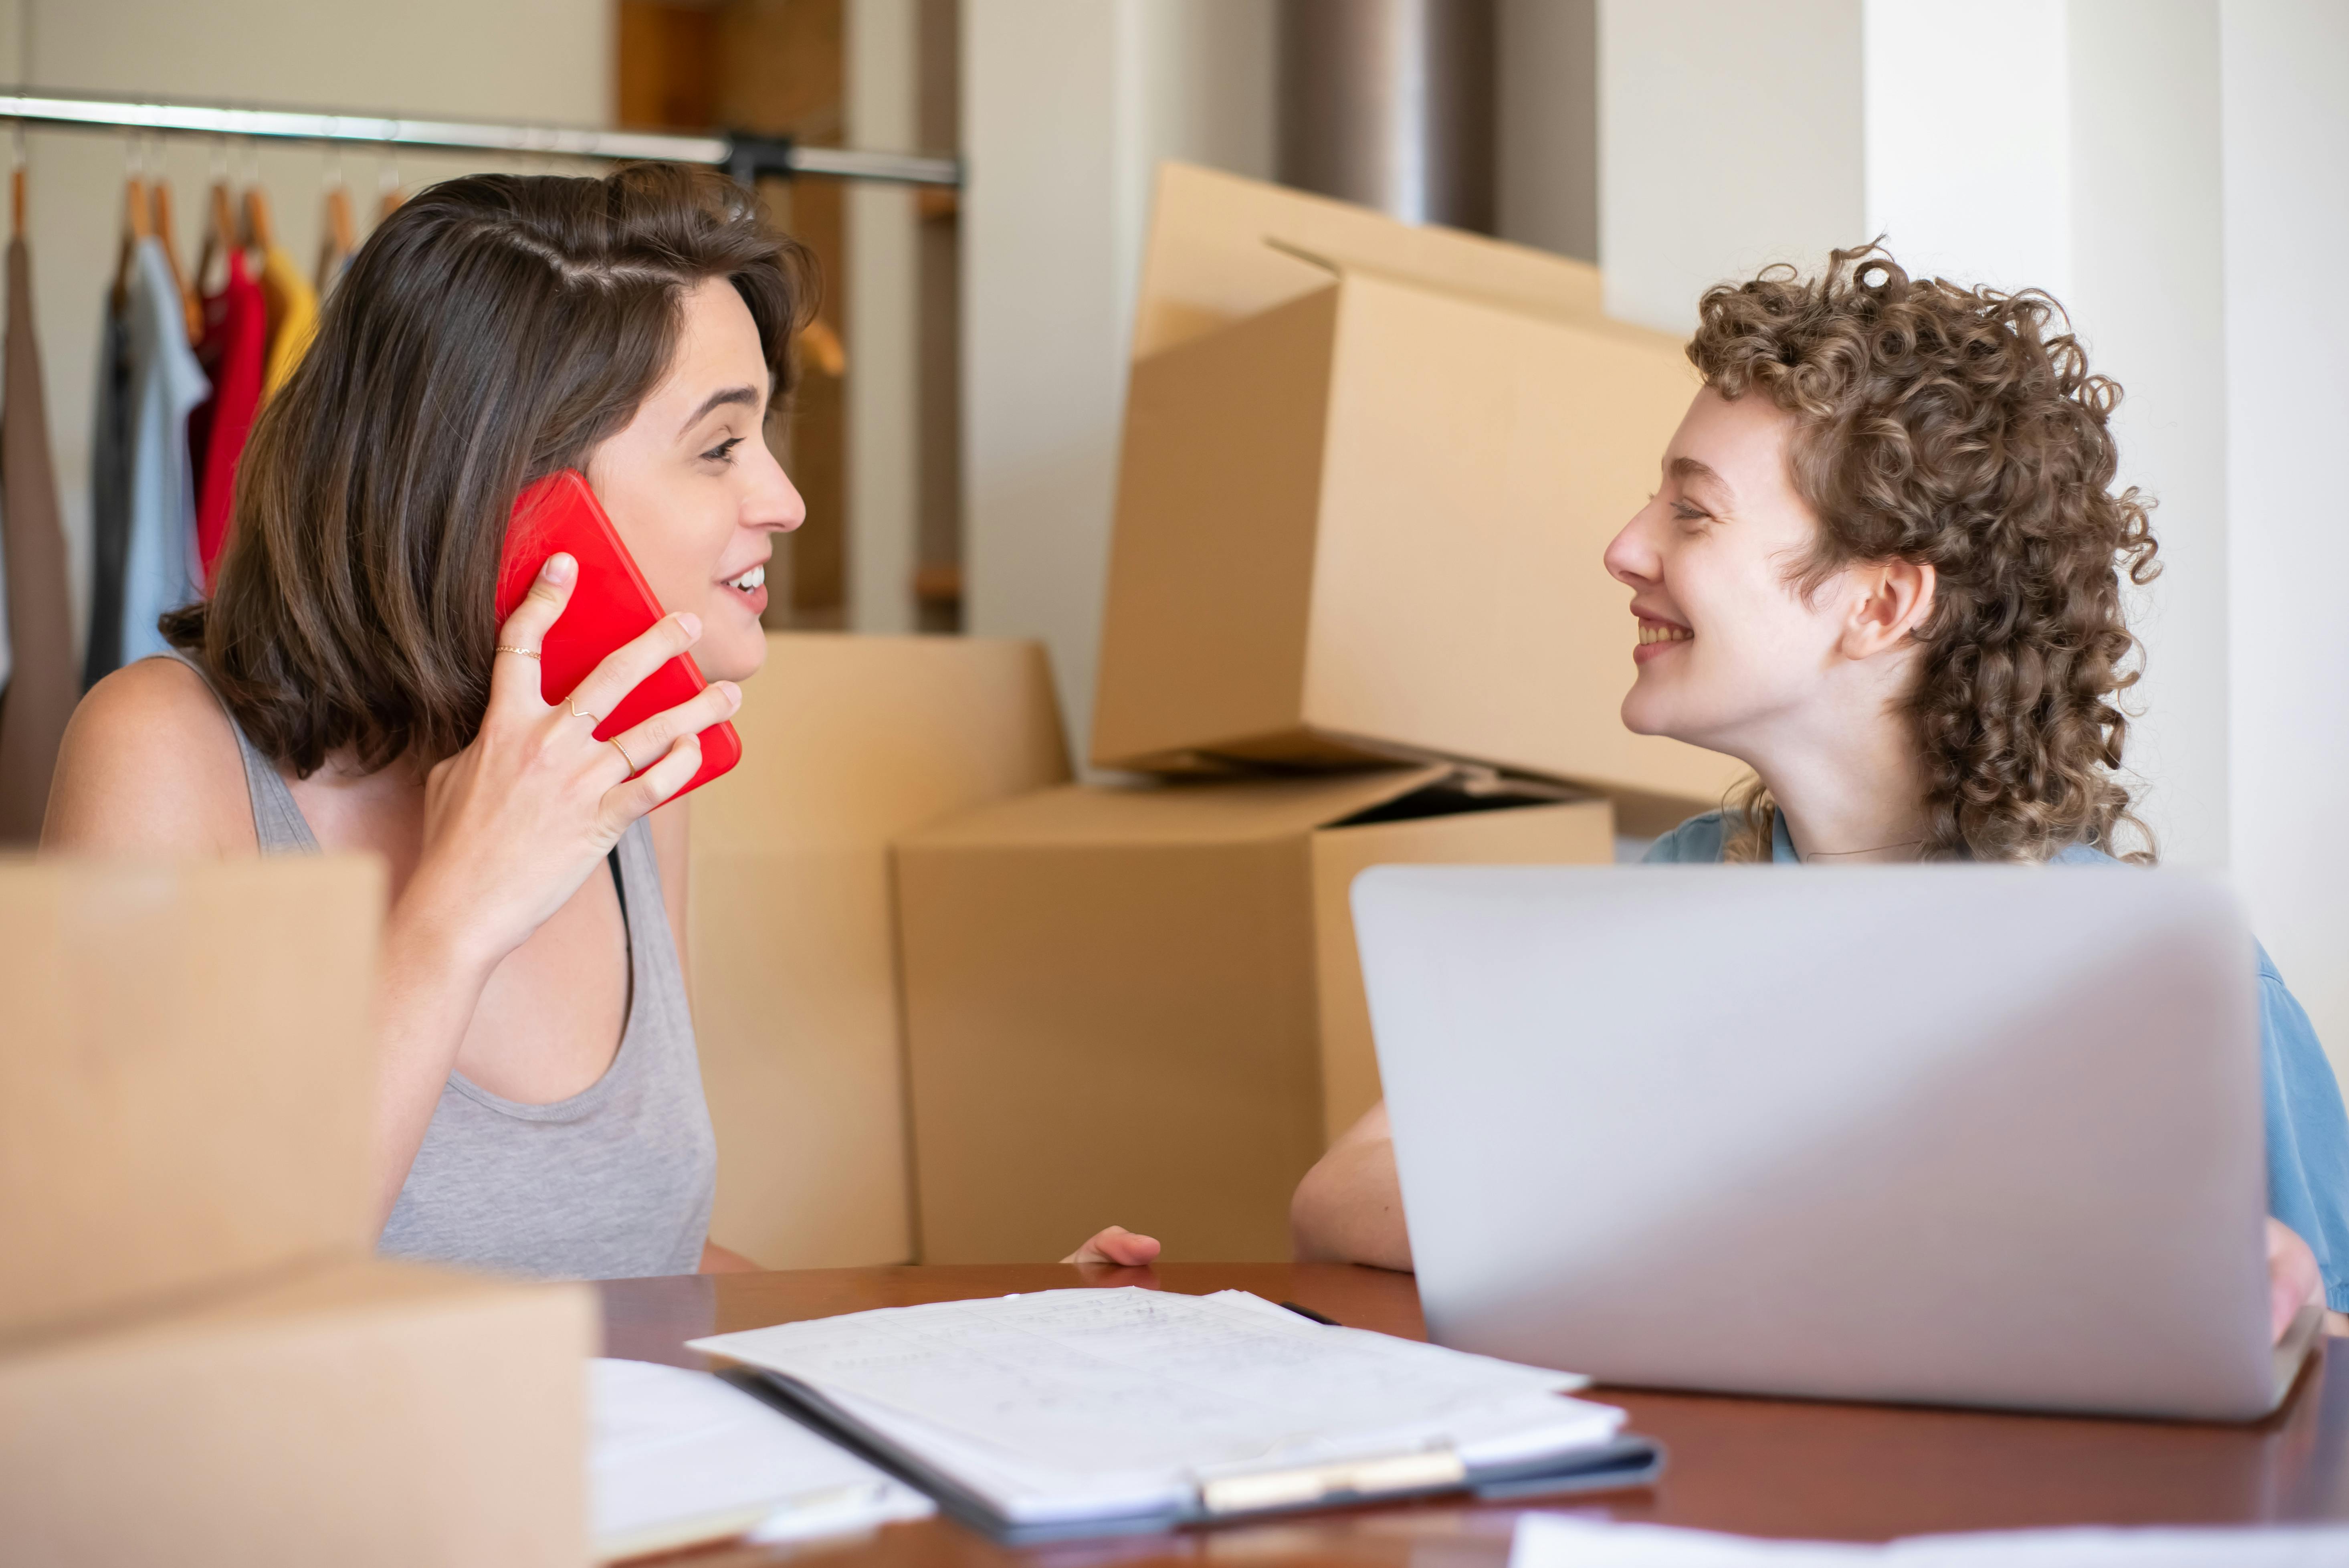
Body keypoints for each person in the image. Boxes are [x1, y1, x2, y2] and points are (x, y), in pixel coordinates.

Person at [45, 165, 1157, 1281]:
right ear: (507, 496)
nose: (784, 500)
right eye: (720, 447)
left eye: (763, 434)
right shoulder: (165, 754)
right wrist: (458, 916)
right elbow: (149, 1304)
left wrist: (962, 1338)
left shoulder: (629, 776)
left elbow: (646, 1271)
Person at [1291, 244, 2349, 1342]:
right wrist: (1729, 1226)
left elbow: (2319, 1351)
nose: (1624, 548)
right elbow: (1341, 1195)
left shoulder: (2162, 975)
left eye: (1692, 515)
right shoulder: (1674, 892)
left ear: (1881, 605)